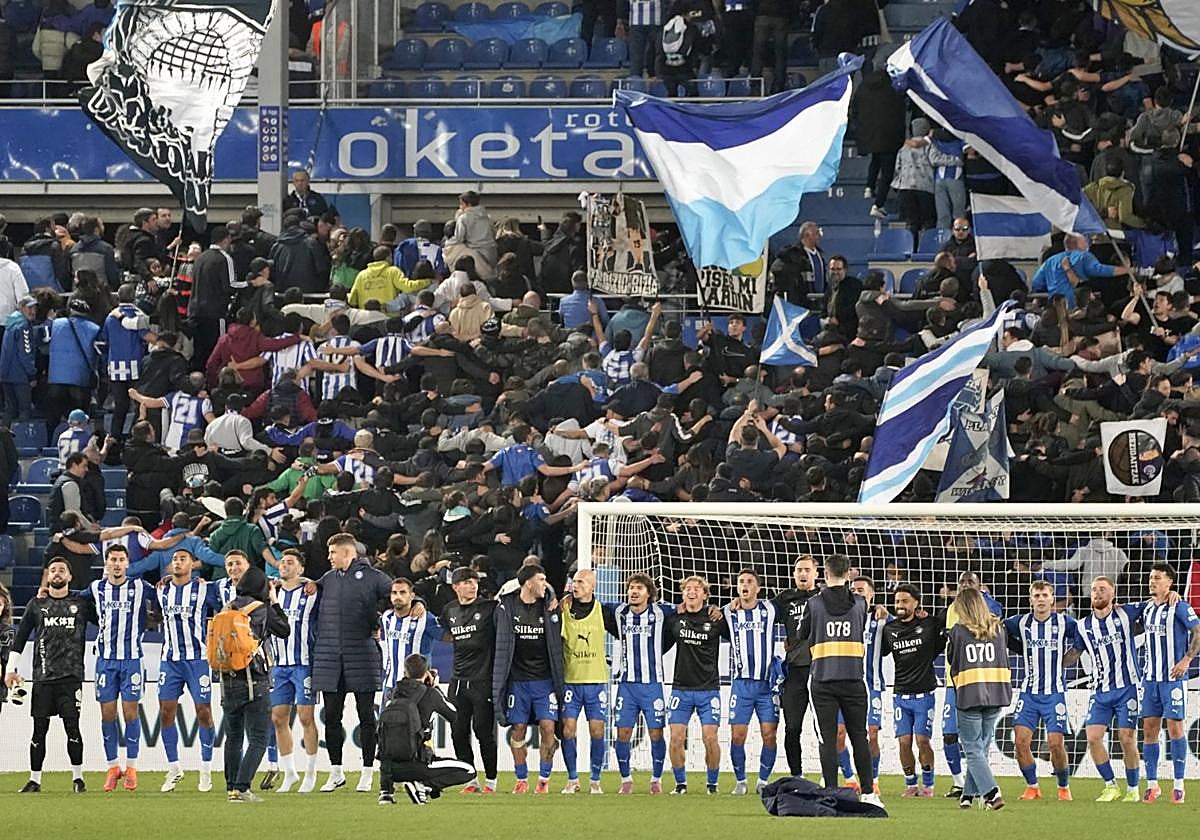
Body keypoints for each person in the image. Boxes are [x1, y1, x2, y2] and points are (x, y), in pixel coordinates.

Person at [313, 531, 397, 793]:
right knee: (332, 718)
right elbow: (311, 588)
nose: (329, 557)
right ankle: (336, 772)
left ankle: (367, 771)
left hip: (362, 655)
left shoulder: (373, 577)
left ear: (348, 553)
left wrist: (384, 616)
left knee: (366, 718)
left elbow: (397, 594)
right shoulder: (327, 579)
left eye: (333, 552)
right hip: (330, 658)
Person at [799, 553, 880, 807]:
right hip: (854, 679)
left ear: (825, 573)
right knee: (859, 736)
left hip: (823, 679)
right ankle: (868, 793)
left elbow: (802, 633)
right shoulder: (860, 604)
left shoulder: (813, 603)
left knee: (827, 737)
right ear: (848, 575)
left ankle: (831, 793)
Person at [6, 558, 92, 793]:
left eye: (62, 570)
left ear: (69, 576)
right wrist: (10, 669)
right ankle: (35, 780)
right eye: (53, 570)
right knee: (39, 730)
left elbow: (106, 619)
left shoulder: (81, 603)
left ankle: (78, 778)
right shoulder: (36, 604)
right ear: (47, 576)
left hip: (71, 678)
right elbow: (21, 637)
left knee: (72, 728)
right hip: (42, 679)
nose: (57, 573)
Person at [81, 543, 157, 792]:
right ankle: (113, 767)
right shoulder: (96, 588)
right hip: (105, 660)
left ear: (127, 563)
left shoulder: (140, 587)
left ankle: (132, 767)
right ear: (106, 563)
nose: (116, 563)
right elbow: (72, 599)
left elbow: (163, 596)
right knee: (108, 714)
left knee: (131, 713)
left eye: (121, 559)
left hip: (132, 659)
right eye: (112, 559)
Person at [1064, 575, 1143, 802]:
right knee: (1093, 738)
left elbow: (1153, 604)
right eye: (1094, 590)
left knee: (1127, 739)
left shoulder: (1126, 613)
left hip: (1127, 688)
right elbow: (1075, 653)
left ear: (1113, 593)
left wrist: (1171, 595)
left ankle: (1133, 789)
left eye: (1102, 589)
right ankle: (1110, 786)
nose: (1097, 593)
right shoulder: (1083, 625)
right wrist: (1054, 664)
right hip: (1100, 691)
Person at [216, 563, 289, 803]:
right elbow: (284, 630)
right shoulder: (261, 609)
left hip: (227, 680)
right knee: (259, 737)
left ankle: (230, 787)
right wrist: (275, 600)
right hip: (254, 680)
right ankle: (242, 787)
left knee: (233, 736)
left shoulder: (227, 608)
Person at [492, 563, 564, 794]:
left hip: (545, 681)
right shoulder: (507, 607)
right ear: (528, 582)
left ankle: (543, 779)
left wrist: (551, 594)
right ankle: (521, 778)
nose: (545, 584)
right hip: (518, 681)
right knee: (519, 729)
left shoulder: (550, 607)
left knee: (548, 728)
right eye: (541, 580)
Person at [1004, 580, 1076, 801]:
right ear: (1030, 600)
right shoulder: (1021, 622)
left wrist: (1067, 660)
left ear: (1053, 599)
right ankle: (1032, 786)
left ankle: (1063, 787)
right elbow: (999, 629)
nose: (1041, 599)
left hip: (1055, 693)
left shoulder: (1066, 623)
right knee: (1020, 742)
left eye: (1045, 595)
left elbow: (1084, 638)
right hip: (1029, 693)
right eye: (1037, 596)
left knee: (1055, 744)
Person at [156, 548, 221, 793]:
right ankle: (174, 768)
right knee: (165, 712)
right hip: (169, 660)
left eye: (183, 558)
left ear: (193, 564)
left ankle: (206, 770)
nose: (178, 562)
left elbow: (231, 594)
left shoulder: (205, 589)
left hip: (197, 660)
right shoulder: (161, 589)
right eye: (174, 559)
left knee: (203, 711)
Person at [946, 586, 1012, 811]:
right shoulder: (998, 628)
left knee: (972, 748)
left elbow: (952, 662)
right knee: (981, 745)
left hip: (970, 693)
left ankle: (992, 793)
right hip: (996, 692)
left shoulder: (958, 631)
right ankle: (968, 794)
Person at [377, 653, 475, 805]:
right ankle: (423, 787)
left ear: (405, 672)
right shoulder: (430, 694)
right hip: (418, 765)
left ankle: (386, 792)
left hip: (388, 768)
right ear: (426, 672)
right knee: (468, 770)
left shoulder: (393, 693)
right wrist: (436, 687)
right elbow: (454, 715)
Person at [1139, 562, 1200, 804]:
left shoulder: (1180, 607)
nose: (1152, 581)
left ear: (1169, 582)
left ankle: (1178, 785)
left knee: (1175, 729)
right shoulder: (1145, 608)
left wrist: (1186, 659)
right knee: (1150, 730)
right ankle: (1152, 785)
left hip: (1173, 679)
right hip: (1150, 679)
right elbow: (1119, 611)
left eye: (1157, 578)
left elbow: (1198, 632)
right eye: (1151, 577)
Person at [665, 575, 728, 795]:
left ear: (705, 595)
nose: (691, 592)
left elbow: (736, 632)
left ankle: (712, 785)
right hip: (680, 689)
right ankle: (680, 784)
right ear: (683, 594)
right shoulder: (674, 619)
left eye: (696, 589)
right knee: (675, 738)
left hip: (708, 689)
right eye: (687, 589)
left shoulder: (717, 619)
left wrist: (724, 609)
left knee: (710, 737)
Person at [439, 566, 499, 794]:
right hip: (458, 681)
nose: (472, 585)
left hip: (483, 679)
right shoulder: (449, 610)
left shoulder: (489, 608)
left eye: (474, 581)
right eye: (466, 582)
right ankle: (471, 780)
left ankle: (491, 781)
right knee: (458, 732)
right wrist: (418, 603)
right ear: (455, 587)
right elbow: (441, 630)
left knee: (484, 732)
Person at [721, 568, 780, 795]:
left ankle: (763, 781)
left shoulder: (770, 609)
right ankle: (741, 781)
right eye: (741, 582)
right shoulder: (728, 611)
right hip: (741, 684)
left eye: (749, 582)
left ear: (758, 588)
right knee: (737, 735)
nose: (744, 585)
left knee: (769, 734)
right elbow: (708, 615)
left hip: (766, 686)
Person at [558, 567, 618, 794]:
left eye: (582, 582)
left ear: (593, 587)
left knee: (597, 730)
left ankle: (595, 779)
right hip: (571, 681)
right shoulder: (564, 610)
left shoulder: (603, 612)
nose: (576, 585)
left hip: (595, 682)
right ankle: (572, 779)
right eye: (574, 581)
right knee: (568, 730)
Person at [881, 582, 942, 798]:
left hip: (924, 695)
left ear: (916, 603)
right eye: (897, 601)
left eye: (905, 601)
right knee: (903, 742)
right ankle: (910, 785)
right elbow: (876, 652)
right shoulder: (889, 630)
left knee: (922, 741)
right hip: (900, 695)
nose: (900, 605)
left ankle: (928, 785)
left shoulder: (930, 624)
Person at [612, 573, 671, 794]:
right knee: (623, 733)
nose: (634, 592)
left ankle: (656, 779)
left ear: (649, 593)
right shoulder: (618, 612)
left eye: (639, 588)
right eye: (631, 588)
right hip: (627, 686)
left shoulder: (662, 613)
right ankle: (626, 779)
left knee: (656, 733)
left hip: (652, 685)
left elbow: (686, 608)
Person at [269, 549, 320, 793]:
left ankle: (311, 773)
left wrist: (311, 582)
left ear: (300, 569)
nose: (284, 566)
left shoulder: (312, 592)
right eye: (282, 563)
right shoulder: (272, 592)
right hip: (279, 665)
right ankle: (290, 773)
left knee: (306, 717)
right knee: (278, 718)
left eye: (290, 563)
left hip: (304, 663)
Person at [772, 555, 819, 778]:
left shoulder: (825, 597)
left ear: (816, 574)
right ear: (793, 573)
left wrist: (878, 607)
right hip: (795, 671)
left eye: (807, 570)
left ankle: (830, 775)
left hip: (821, 670)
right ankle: (796, 776)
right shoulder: (785, 599)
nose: (803, 574)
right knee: (792, 728)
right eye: (799, 569)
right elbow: (759, 612)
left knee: (828, 730)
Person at [381, 577, 440, 697]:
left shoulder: (425, 619)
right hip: (390, 684)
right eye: (394, 593)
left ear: (412, 596)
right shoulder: (386, 617)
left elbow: (448, 636)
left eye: (403, 592)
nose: (398, 596)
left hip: (418, 687)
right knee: (386, 716)